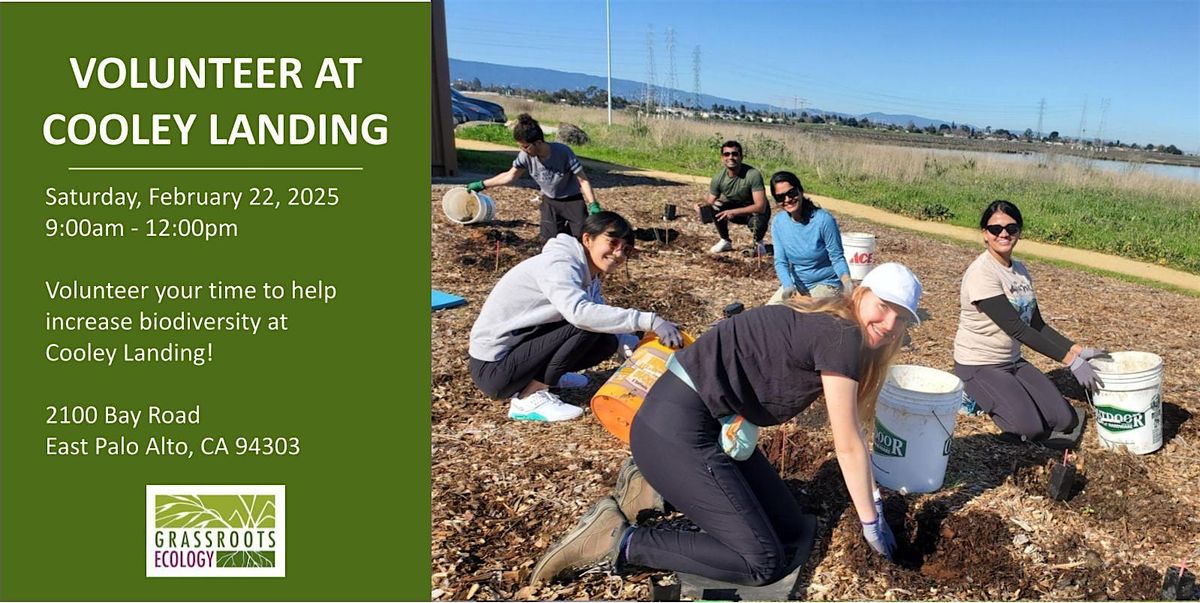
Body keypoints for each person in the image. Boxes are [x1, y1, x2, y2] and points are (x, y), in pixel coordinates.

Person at [530, 263, 924, 586]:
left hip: (702, 425)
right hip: (675, 427)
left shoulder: (831, 319)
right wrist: (871, 522)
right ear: (861, 294)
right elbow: (849, 442)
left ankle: (653, 488)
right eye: (884, 306)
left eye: (901, 318)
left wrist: (871, 499)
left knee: (793, 529)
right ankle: (620, 541)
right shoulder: (840, 335)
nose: (889, 323)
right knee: (763, 561)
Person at [468, 211, 683, 423]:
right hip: (495, 368)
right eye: (612, 242)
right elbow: (580, 314)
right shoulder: (559, 264)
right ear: (587, 239)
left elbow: (598, 310)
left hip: (517, 353)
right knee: (585, 324)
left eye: (625, 249)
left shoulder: (589, 273)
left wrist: (630, 344)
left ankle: (548, 377)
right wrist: (651, 320)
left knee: (606, 340)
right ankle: (529, 397)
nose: (618, 253)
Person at [953, 200, 1105, 447]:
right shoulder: (982, 273)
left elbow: (1036, 323)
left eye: (1011, 228)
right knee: (1029, 430)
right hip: (979, 363)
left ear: (1019, 232)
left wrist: (1078, 350)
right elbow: (1017, 328)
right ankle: (972, 392)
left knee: (1064, 420)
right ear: (985, 234)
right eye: (995, 229)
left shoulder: (1020, 270)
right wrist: (1070, 361)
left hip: (1012, 361)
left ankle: (1005, 392)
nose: (1004, 233)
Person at [467, 113, 601, 243]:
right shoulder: (525, 156)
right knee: (550, 242)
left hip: (572, 201)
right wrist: (482, 184)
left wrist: (593, 204)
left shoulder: (563, 152)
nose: (522, 150)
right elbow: (510, 176)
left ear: (538, 142)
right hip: (550, 202)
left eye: (525, 146)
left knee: (583, 239)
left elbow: (583, 180)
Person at [767, 171, 853, 303]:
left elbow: (836, 257)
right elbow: (781, 262)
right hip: (797, 285)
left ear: (800, 191)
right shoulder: (778, 223)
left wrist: (847, 282)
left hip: (825, 284)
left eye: (791, 193)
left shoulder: (823, 220)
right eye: (780, 197)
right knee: (769, 315)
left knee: (808, 316)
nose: (787, 200)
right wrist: (788, 286)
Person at [695, 140, 771, 256]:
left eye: (734, 154)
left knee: (757, 222)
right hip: (735, 210)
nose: (731, 157)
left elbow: (760, 206)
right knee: (715, 207)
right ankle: (725, 240)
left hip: (755, 213)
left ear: (741, 157)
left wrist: (733, 212)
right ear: (722, 158)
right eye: (727, 154)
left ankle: (759, 243)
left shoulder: (753, 175)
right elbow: (709, 203)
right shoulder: (718, 178)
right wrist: (700, 207)